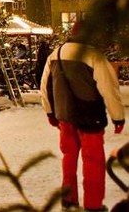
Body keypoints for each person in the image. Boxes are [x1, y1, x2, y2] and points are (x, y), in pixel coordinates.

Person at [41, 33, 125, 211]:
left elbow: (45, 86)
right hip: (90, 117)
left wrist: (50, 113)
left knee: (68, 159)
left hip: (65, 117)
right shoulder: (93, 55)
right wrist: (118, 117)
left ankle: (69, 201)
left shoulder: (56, 54)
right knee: (93, 161)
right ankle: (93, 205)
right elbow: (109, 88)